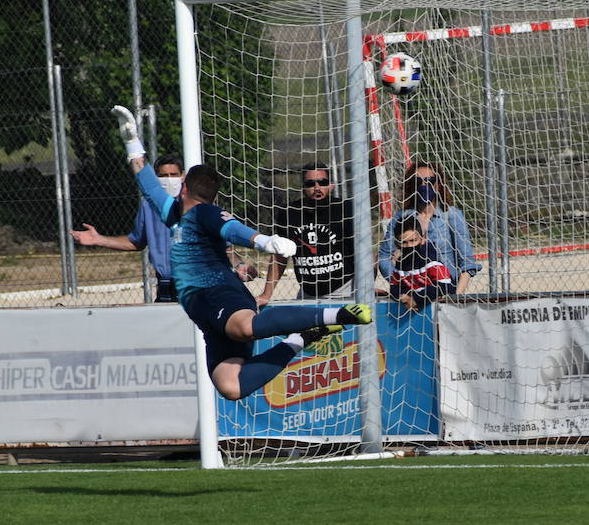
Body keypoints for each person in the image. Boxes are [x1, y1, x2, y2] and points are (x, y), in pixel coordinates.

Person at [110, 107, 372, 401]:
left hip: (220, 294)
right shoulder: (173, 212)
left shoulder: (203, 213)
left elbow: (232, 229)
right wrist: (132, 141)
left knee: (247, 327)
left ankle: (334, 314)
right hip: (205, 314)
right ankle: (301, 338)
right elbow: (147, 184)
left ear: (184, 187)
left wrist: (264, 241)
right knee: (231, 387)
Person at [70, 153, 185, 302]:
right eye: (164, 175)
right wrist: (99, 240)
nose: (169, 179)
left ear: (182, 176)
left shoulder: (194, 204)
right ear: (155, 178)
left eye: (173, 175)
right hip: (165, 284)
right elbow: (136, 241)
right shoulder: (148, 206)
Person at [258, 162, 356, 306]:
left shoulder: (344, 209)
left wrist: (366, 288)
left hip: (345, 290)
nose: (317, 188)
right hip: (307, 294)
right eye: (310, 183)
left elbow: (365, 253)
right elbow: (279, 256)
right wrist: (266, 294)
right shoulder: (289, 213)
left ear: (330, 185)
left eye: (322, 182)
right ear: (303, 187)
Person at [377, 161, 479, 295]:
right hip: (410, 293)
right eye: (417, 181)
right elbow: (384, 256)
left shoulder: (452, 215)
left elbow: (467, 263)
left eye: (429, 180)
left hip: (444, 293)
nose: (423, 185)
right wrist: (401, 282)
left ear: (438, 184)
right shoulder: (401, 217)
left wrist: (455, 297)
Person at [387, 218, 454, 311]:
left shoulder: (431, 260)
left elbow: (445, 285)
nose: (409, 246)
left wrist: (416, 299)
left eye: (413, 240)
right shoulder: (400, 264)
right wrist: (406, 298)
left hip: (439, 311)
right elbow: (394, 288)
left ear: (422, 239)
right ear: (397, 243)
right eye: (404, 242)